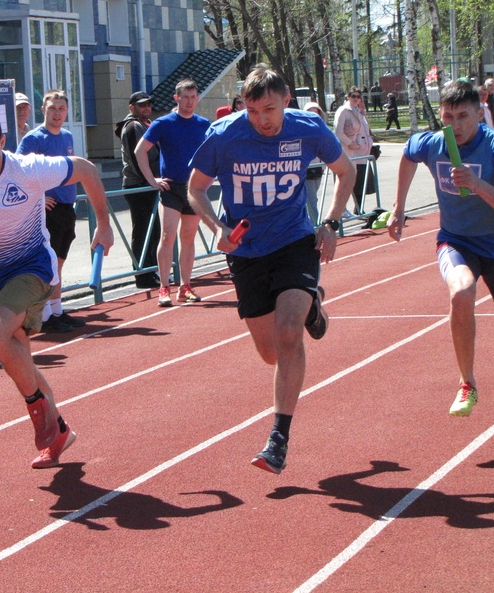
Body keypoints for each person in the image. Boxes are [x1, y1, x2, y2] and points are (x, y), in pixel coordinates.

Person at [186, 66, 356, 474]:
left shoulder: (307, 128)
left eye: (270, 109)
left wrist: (331, 222)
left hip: (295, 241)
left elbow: (346, 171)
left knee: (287, 333)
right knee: (269, 353)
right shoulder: (225, 135)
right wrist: (218, 228)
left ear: (286, 102)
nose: (262, 119)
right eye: (253, 110)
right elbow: (194, 188)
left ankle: (278, 438)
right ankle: (314, 304)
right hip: (246, 251)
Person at [0, 108, 114, 468]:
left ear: (2, 142)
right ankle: (59, 430)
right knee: (18, 357)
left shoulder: (28, 168)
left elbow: (87, 170)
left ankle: (38, 413)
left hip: (33, 269)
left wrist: (104, 223)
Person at [387, 79, 494, 432]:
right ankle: (467, 383)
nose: (455, 126)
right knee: (461, 292)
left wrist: (478, 184)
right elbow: (407, 152)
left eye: (463, 117)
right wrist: (398, 208)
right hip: (456, 240)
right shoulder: (434, 143)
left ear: (479, 115)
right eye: (448, 117)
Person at [135, 78, 210, 307]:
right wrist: (152, 180)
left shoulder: (203, 124)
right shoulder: (163, 123)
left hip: (194, 189)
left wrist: (211, 177)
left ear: (197, 98)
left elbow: (214, 152)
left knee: (188, 238)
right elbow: (140, 152)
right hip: (170, 188)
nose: (189, 101)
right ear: (176, 98)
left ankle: (185, 286)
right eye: (184, 97)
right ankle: (164, 287)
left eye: (192, 97)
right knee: (168, 236)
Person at [17, 89, 86, 333]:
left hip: (67, 206)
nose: (57, 113)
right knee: (48, 263)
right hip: (48, 209)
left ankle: (56, 310)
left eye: (61, 109)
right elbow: (18, 171)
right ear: (43, 110)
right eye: (53, 108)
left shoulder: (67, 136)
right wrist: (39, 196)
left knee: (59, 263)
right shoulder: (34, 139)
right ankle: (44, 315)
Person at [114, 91, 161, 289]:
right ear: (131, 107)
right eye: (142, 105)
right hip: (138, 185)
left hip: (147, 184)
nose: (146, 108)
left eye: (148, 105)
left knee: (153, 231)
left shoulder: (145, 124)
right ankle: (142, 274)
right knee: (143, 231)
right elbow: (135, 158)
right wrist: (148, 180)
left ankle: (150, 270)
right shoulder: (133, 126)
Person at [334, 86, 375, 213]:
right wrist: (350, 143)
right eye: (353, 96)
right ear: (348, 97)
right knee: (344, 180)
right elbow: (338, 132)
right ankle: (340, 208)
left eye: (358, 97)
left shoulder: (357, 111)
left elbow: (362, 130)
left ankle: (355, 208)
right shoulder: (343, 110)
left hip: (355, 151)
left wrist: (360, 143)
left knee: (353, 181)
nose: (356, 99)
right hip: (343, 150)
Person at [302, 102, 328, 225]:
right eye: (310, 112)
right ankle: (316, 225)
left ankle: (309, 223)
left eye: (315, 112)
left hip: (318, 168)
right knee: (311, 200)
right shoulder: (300, 129)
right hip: (305, 168)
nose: (313, 115)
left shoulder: (322, 129)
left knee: (313, 198)